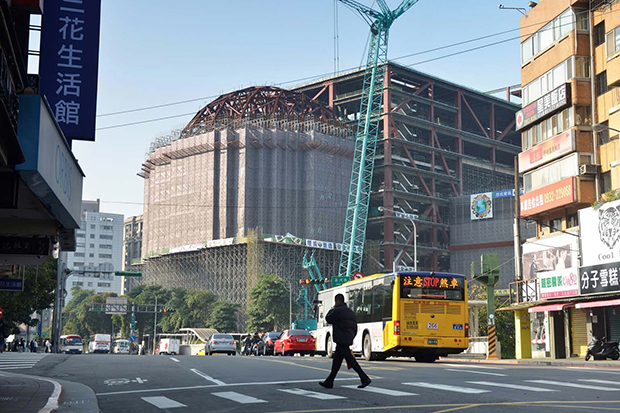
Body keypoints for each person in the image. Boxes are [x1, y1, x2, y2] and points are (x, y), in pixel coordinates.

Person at [319, 293, 371, 389]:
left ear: (337, 301)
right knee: (337, 361)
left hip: (341, 339)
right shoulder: (350, 312)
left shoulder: (337, 311)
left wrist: (332, 308)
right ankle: (329, 381)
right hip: (347, 338)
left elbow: (328, 319)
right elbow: (355, 327)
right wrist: (351, 337)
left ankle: (365, 378)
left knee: (351, 360)